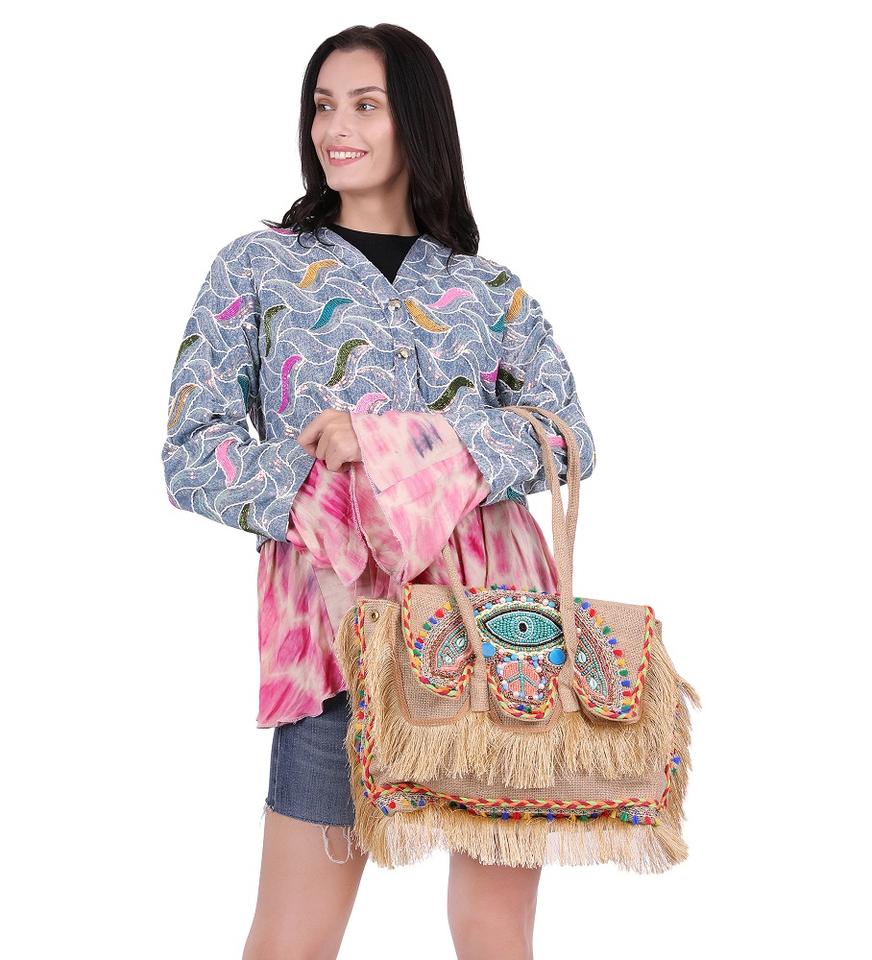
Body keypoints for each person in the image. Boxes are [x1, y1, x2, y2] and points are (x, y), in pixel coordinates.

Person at [162, 23, 595, 960]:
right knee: (291, 937)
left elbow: (567, 437)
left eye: (365, 105)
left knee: (495, 932)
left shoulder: (488, 289)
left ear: (418, 122)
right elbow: (194, 451)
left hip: (501, 637)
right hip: (337, 635)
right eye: (323, 105)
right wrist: (323, 500)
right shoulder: (258, 267)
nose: (336, 128)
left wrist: (393, 443)